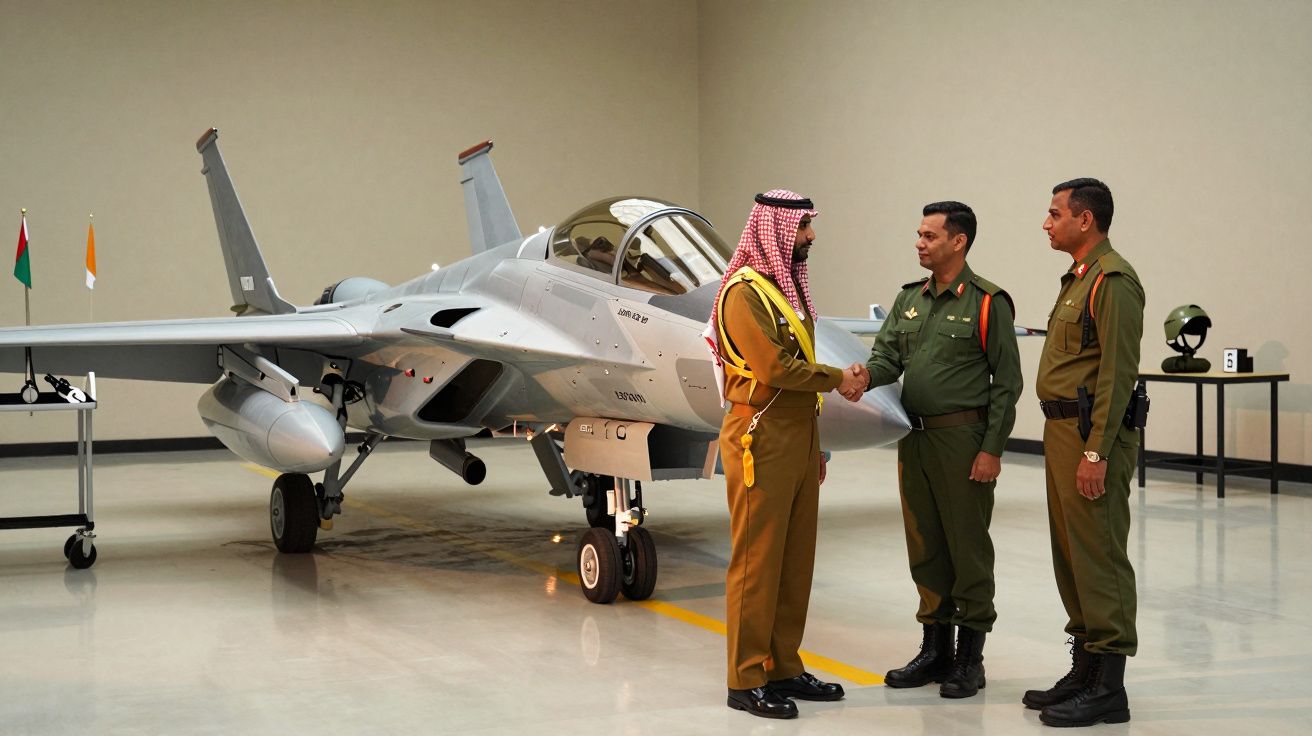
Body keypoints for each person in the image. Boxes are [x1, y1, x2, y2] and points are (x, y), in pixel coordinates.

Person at [851, 201, 1021, 698]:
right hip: (916, 440)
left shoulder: (988, 302)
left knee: (966, 546)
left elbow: (1007, 385)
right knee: (925, 545)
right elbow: (886, 358)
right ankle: (934, 650)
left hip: (963, 442)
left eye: (929, 236)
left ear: (958, 241)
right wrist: (863, 376)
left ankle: (970, 658)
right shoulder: (910, 299)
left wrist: (992, 450)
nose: (919, 243)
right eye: (919, 234)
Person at [709, 189, 865, 719]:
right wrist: (839, 379)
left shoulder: (784, 291)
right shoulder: (744, 293)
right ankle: (745, 677)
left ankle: (784, 666)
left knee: (795, 561)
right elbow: (774, 369)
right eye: (803, 229)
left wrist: (815, 445)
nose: (810, 238)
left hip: (798, 433)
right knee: (757, 561)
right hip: (762, 432)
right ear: (776, 229)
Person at [1028, 178, 1143, 727]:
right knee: (1071, 555)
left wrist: (1097, 451)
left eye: (1054, 214)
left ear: (1086, 220)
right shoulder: (1078, 279)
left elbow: (1118, 375)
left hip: (1089, 436)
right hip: (1061, 433)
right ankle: (1085, 670)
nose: (1046, 223)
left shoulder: (1113, 281)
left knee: (1099, 554)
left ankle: (1109, 689)